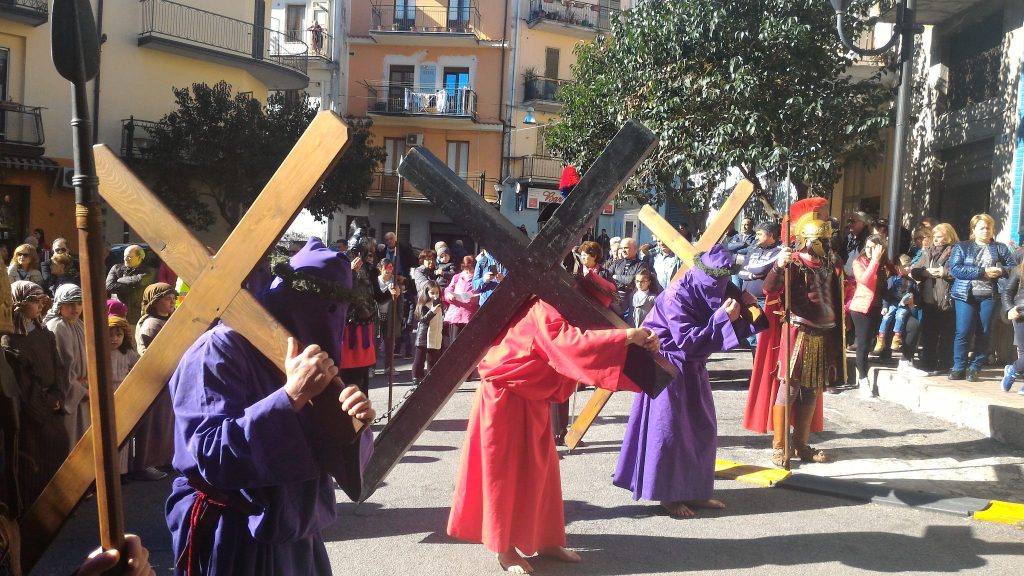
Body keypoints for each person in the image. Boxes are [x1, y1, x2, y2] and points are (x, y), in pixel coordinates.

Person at [166, 238, 375, 576]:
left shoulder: (312, 355)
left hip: (297, 532)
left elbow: (338, 462)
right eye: (319, 303)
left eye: (338, 309)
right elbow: (210, 454)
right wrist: (289, 397)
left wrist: (353, 427)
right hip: (236, 532)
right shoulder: (218, 350)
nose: (328, 319)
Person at [446, 281, 659, 574]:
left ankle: (546, 540)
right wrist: (625, 337)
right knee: (503, 473)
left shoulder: (557, 308)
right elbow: (571, 344)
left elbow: (589, 338)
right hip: (503, 396)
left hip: (530, 396)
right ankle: (504, 549)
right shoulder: (546, 308)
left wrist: (637, 340)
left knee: (541, 471)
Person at [614, 246, 762, 518]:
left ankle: (696, 490)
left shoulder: (717, 286)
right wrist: (721, 318)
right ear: (704, 275)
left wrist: (750, 307)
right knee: (670, 432)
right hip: (667, 364)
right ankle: (668, 495)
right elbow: (686, 340)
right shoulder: (675, 295)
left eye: (724, 281)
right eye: (716, 282)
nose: (720, 288)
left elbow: (730, 315)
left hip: (692, 366)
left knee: (701, 427)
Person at [743, 198, 844, 467]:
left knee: (811, 389)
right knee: (789, 387)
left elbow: (835, 293)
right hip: (799, 331)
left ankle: (801, 444)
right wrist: (779, 265)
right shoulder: (793, 262)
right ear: (807, 238)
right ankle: (780, 446)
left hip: (823, 331)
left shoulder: (828, 263)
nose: (824, 243)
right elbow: (770, 290)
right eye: (820, 238)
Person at [2, 281, 70, 510]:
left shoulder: (45, 334)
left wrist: (59, 395)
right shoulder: (10, 340)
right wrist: (44, 407)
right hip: (32, 414)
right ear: (18, 304)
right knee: (33, 463)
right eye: (33, 301)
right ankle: (34, 511)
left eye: (41, 301)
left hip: (52, 403)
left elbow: (59, 367)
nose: (40, 306)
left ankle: (55, 505)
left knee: (59, 449)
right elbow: (22, 384)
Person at [948, 213, 1017, 382]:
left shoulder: (1000, 248)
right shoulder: (962, 247)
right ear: (974, 230)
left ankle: (975, 367)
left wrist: (1001, 271)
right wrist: (982, 272)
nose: (986, 231)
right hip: (965, 295)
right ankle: (958, 367)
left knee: (984, 332)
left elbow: (1015, 268)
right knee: (963, 331)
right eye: (982, 228)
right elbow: (955, 269)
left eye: (988, 227)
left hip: (990, 296)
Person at [132, 282, 178, 480]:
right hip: (155, 378)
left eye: (173, 299)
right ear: (155, 302)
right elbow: (152, 353)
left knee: (166, 420)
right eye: (167, 299)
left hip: (169, 375)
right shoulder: (151, 324)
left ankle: (163, 458)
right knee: (153, 422)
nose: (171, 302)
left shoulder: (167, 319)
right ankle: (146, 462)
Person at [44, 285, 89, 447]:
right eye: (70, 303)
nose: (76, 308)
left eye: (79, 303)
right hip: (70, 395)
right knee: (70, 441)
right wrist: (81, 390)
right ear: (59, 305)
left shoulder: (78, 324)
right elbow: (62, 367)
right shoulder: (58, 326)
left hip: (83, 390)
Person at [910, 223, 957, 376]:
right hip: (928, 299)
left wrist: (944, 273)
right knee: (929, 333)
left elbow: (958, 272)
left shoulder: (955, 251)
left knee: (946, 334)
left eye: (939, 237)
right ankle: (928, 362)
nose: (936, 240)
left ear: (948, 236)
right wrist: (924, 272)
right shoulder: (927, 251)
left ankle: (945, 363)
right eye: (934, 237)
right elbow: (915, 270)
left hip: (945, 299)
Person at [850, 235, 888, 395]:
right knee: (863, 344)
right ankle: (863, 379)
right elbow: (865, 280)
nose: (870, 250)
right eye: (868, 247)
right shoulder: (859, 262)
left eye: (874, 247)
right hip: (861, 307)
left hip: (877, 307)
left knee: (871, 342)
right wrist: (875, 261)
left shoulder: (885, 265)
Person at [109, 311, 140, 476]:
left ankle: (122, 471)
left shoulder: (128, 354)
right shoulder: (100, 354)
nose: (114, 338)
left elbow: (137, 370)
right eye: (110, 335)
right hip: (106, 396)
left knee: (123, 434)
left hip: (123, 395)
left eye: (118, 335)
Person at [874, 254, 918, 355]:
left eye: (910, 265)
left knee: (900, 315)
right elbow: (887, 293)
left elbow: (916, 294)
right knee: (886, 316)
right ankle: (881, 339)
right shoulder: (893, 279)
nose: (909, 268)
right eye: (906, 266)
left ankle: (897, 338)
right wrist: (885, 306)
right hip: (893, 302)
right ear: (897, 267)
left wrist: (913, 299)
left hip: (904, 304)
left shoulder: (911, 281)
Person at [106, 245, 155, 326]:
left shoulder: (149, 271)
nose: (125, 259)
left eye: (129, 257)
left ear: (140, 257)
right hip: (117, 312)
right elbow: (109, 286)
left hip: (137, 315)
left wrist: (119, 280)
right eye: (125, 256)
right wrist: (132, 287)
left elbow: (140, 281)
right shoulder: (116, 268)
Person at [1000, 255, 1024, 394]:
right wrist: (1010, 309)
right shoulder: (1019, 270)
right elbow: (1007, 292)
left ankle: (1013, 370)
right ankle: (1013, 370)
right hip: (1021, 314)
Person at [413, 281, 444, 386]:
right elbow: (422, 320)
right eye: (432, 293)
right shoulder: (424, 305)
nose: (435, 295)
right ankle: (415, 379)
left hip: (435, 336)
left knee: (432, 360)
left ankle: (431, 381)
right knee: (419, 359)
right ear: (427, 293)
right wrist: (432, 311)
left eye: (437, 292)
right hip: (424, 336)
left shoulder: (440, 304)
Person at [444, 255, 481, 343]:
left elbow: (482, 294)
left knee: (467, 343)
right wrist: (449, 296)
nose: (467, 271)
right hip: (455, 314)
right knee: (454, 343)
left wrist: (475, 298)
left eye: (470, 269)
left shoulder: (477, 279)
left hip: (469, 315)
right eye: (465, 268)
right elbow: (448, 290)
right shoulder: (457, 277)